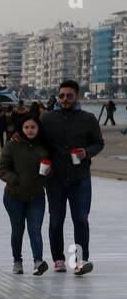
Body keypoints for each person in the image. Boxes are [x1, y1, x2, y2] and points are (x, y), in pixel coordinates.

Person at [41, 79, 103, 275]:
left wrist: (87, 152)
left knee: (81, 220)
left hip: (80, 178)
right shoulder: (47, 119)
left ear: (77, 96)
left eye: (69, 95)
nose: (64, 99)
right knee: (56, 220)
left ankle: (80, 261)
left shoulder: (88, 118)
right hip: (55, 178)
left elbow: (98, 143)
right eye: (61, 95)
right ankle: (58, 259)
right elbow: (32, 137)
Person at [0, 116, 50, 275]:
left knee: (35, 229)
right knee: (17, 230)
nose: (30, 130)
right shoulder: (12, 145)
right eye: (26, 127)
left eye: (33, 127)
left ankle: (38, 262)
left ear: (38, 128)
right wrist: (15, 180)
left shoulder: (44, 145)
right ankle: (17, 261)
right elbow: (2, 168)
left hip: (37, 195)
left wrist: (48, 172)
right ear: (21, 129)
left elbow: (51, 166)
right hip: (14, 196)